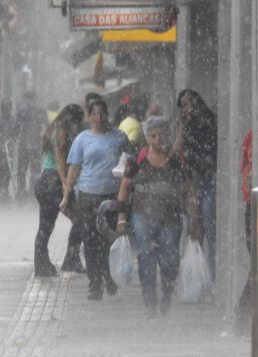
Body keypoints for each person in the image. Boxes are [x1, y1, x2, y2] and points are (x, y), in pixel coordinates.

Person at [117, 115, 199, 317]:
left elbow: (191, 191)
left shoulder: (178, 160)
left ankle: (167, 294)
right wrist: (121, 217)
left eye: (161, 135)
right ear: (147, 138)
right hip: (141, 216)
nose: (158, 139)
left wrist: (194, 218)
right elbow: (125, 189)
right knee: (146, 257)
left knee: (170, 258)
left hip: (171, 217)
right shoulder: (137, 159)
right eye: (153, 136)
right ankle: (150, 302)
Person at [61, 94, 133, 300]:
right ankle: (95, 284)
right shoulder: (82, 139)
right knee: (90, 241)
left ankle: (108, 276)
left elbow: (130, 163)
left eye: (102, 114)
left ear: (107, 115)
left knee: (108, 240)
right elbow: (73, 170)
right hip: (87, 196)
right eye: (95, 114)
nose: (99, 118)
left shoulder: (119, 137)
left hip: (112, 195)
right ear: (89, 116)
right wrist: (66, 196)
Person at [33, 103, 85, 277]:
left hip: (45, 180)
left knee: (45, 226)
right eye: (78, 120)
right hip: (54, 181)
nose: (78, 124)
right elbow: (60, 160)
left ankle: (41, 264)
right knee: (81, 218)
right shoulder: (62, 132)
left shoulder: (55, 129)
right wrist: (66, 186)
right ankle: (71, 259)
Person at [174, 88, 217, 282]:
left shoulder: (210, 122)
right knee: (193, 227)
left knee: (209, 224)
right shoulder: (187, 125)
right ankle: (195, 277)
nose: (188, 109)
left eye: (190, 103)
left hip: (208, 179)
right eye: (183, 106)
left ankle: (213, 275)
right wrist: (182, 126)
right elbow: (176, 150)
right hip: (191, 180)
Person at [13, 91, 49, 199]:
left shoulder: (22, 112)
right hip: (34, 145)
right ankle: (30, 192)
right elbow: (47, 127)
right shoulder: (40, 111)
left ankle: (23, 192)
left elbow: (16, 129)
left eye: (27, 99)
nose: (27, 102)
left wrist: (13, 138)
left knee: (24, 171)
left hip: (27, 145)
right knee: (33, 171)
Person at [236, 130, 253, 330]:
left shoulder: (251, 138)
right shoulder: (250, 137)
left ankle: (244, 307)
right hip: (254, 204)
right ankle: (244, 307)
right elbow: (246, 173)